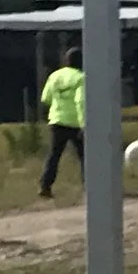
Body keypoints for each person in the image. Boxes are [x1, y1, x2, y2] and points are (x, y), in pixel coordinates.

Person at [39, 47, 86, 199]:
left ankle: (45, 186)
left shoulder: (55, 76)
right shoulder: (81, 77)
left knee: (54, 155)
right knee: (84, 156)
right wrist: (83, 123)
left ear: (66, 61)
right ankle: (89, 186)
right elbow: (80, 101)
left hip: (57, 121)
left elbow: (45, 98)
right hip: (75, 123)